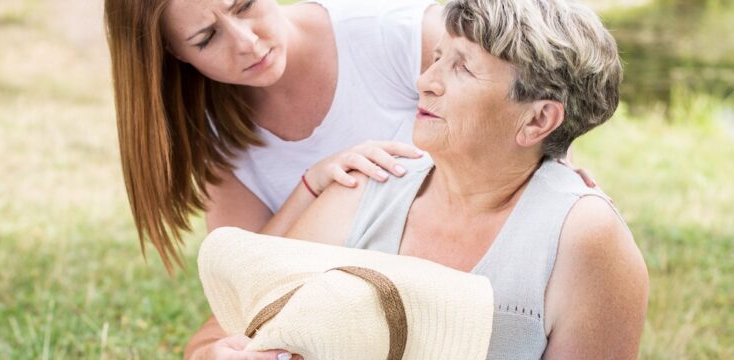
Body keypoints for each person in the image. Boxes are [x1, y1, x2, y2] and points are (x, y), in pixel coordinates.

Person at [103, 0, 599, 358]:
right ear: (173, 56)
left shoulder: (390, 35)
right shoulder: (211, 132)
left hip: (456, 278)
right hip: (342, 314)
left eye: (246, 5)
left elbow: (529, 94)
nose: (246, 41)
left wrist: (558, 176)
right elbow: (245, 286)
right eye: (206, 38)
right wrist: (313, 185)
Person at [281, 0, 649, 358]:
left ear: (537, 120)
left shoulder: (584, 237)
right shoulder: (366, 187)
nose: (424, 81)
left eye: (463, 68)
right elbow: (248, 321)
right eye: (438, 58)